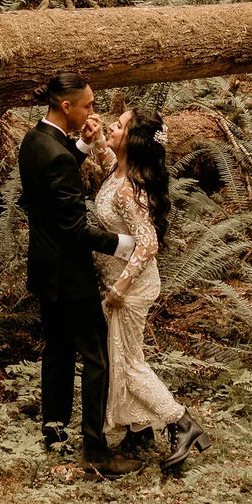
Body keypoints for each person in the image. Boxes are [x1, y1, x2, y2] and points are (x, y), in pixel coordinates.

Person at [17, 73, 137, 474]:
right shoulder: (55, 154)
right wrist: (123, 245)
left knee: (56, 351)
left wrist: (84, 143)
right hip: (70, 274)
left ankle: (53, 435)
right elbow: (73, 227)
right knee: (96, 356)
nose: (92, 111)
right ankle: (96, 449)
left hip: (44, 266)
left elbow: (54, 180)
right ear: (65, 107)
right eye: (86, 105)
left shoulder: (34, 141)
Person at [92, 108, 210, 475]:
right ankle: (139, 430)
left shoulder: (130, 189)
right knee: (122, 356)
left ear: (134, 141)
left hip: (131, 288)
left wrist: (119, 290)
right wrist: (95, 136)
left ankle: (183, 423)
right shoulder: (119, 168)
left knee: (129, 364)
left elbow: (148, 243)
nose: (113, 124)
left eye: (120, 125)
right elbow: (105, 157)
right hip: (122, 283)